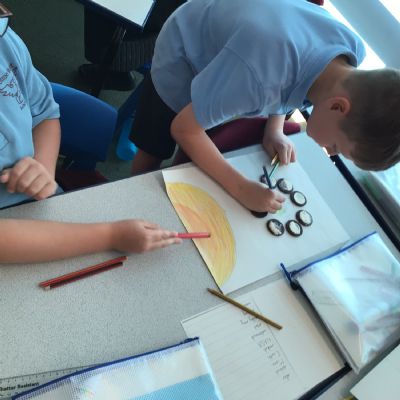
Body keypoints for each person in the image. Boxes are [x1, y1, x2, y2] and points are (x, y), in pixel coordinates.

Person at [130, 0, 400, 214]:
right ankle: (132, 200)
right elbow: (184, 129)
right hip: (185, 54)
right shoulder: (259, 78)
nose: (329, 151)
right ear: (338, 107)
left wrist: (275, 128)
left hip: (235, 56)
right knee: (154, 145)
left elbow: (298, 75)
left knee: (200, 140)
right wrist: (241, 188)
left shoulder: (351, 54)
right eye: (337, 147)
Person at [0, 3, 181, 263]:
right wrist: (111, 236)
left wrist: (43, 167)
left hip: (41, 206)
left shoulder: (5, 40)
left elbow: (45, 112)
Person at [79, 0, 186, 91]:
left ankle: (113, 71)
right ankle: (113, 67)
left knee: (101, 10)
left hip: (147, 39)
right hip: (164, 32)